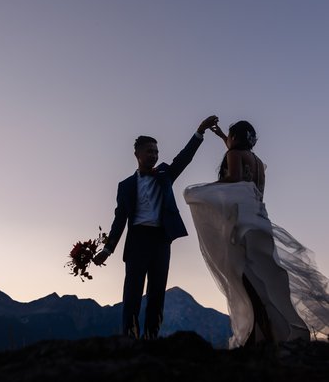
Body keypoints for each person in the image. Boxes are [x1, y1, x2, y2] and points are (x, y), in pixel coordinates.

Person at [184, 119, 329, 347]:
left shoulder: (234, 155)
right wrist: (223, 136)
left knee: (247, 280)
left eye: (230, 136)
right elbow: (243, 169)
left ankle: (259, 336)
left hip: (242, 223)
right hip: (261, 221)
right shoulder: (258, 162)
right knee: (269, 279)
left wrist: (206, 189)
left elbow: (234, 179)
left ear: (235, 138)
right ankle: (278, 332)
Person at [94, 115, 218, 339]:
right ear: (137, 154)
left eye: (156, 152)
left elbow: (184, 158)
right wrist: (107, 249)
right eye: (149, 151)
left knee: (157, 292)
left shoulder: (165, 174)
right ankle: (129, 337)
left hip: (161, 240)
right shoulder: (126, 186)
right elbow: (119, 219)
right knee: (132, 292)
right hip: (137, 241)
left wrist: (200, 131)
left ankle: (152, 336)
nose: (153, 155)